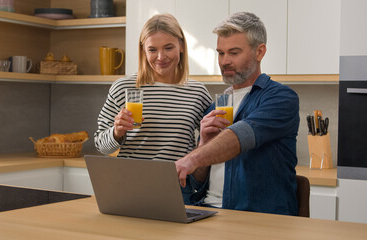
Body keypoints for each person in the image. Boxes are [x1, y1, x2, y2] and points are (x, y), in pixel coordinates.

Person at [175, 12, 300, 216]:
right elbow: (198, 181)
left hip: (255, 217)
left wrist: (193, 158)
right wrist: (203, 144)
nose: (224, 61)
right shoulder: (216, 105)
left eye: (234, 53)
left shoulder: (281, 98)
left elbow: (242, 135)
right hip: (206, 212)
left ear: (259, 52)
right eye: (220, 53)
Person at [94, 13, 212, 204]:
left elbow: (212, 140)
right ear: (143, 51)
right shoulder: (123, 88)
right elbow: (101, 146)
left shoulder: (197, 92)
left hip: (179, 188)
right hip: (129, 185)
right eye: (152, 49)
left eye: (168, 47)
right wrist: (116, 132)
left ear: (181, 46)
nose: (161, 57)